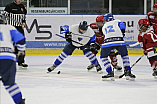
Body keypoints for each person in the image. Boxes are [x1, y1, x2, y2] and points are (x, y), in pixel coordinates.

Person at [101, 13, 136, 80]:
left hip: (107, 42)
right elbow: (123, 26)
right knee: (124, 56)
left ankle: (109, 72)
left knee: (103, 57)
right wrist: (122, 33)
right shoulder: (117, 21)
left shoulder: (104, 26)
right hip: (119, 41)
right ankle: (128, 72)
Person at [0, 14, 25, 104]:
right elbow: (21, 40)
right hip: (8, 57)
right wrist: (21, 51)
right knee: (10, 84)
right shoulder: (9, 28)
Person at [4, 0, 28, 68]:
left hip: (20, 28)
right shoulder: (9, 6)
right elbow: (4, 16)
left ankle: (21, 61)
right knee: (10, 44)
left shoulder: (22, 6)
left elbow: (23, 16)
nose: (20, 1)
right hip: (12, 28)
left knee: (21, 44)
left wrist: (24, 22)